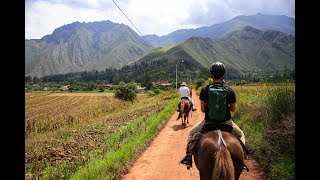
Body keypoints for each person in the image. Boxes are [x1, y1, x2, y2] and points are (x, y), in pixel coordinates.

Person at [179, 61, 246, 168]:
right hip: (227, 123)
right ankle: (242, 161)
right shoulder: (230, 90)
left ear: (211, 75)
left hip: (209, 122)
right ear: (223, 74)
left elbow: (203, 110)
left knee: (191, 134)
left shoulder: (205, 89)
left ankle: (188, 157)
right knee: (241, 134)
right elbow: (233, 110)